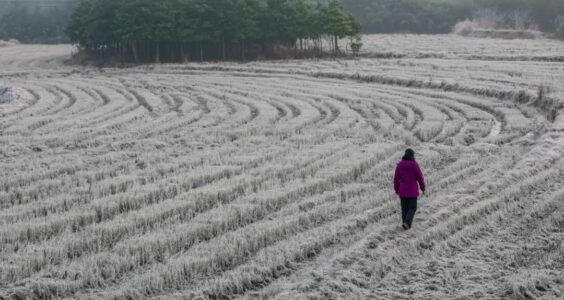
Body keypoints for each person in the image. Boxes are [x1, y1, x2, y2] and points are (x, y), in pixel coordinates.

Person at [393, 149, 426, 230]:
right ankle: (407, 223)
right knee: (412, 208)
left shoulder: (399, 165)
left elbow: (396, 179)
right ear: (412, 156)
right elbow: (420, 178)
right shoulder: (415, 165)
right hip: (412, 191)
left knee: (404, 209)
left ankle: (405, 225)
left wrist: (397, 189)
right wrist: (423, 188)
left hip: (402, 191)